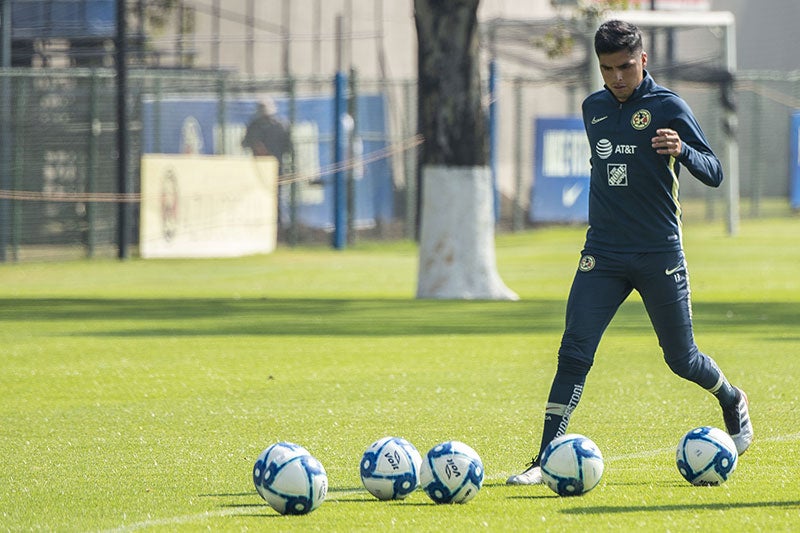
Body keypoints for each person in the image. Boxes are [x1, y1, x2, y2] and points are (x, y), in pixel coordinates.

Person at [507, 19, 753, 485]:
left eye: (624, 67)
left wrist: (682, 150)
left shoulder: (668, 107)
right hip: (603, 252)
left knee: (681, 359)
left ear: (643, 60)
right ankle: (543, 459)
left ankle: (730, 397)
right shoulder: (592, 107)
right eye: (607, 69)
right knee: (574, 352)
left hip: (658, 252)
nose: (617, 78)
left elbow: (715, 171)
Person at [241, 97, 292, 174]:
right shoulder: (254, 126)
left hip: (275, 162)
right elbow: (247, 142)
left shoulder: (281, 125)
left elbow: (287, 144)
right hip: (259, 163)